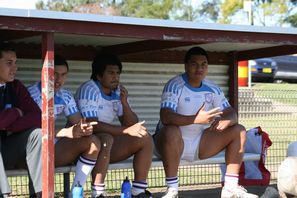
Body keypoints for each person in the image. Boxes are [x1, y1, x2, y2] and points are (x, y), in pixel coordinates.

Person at [153, 46, 259, 198]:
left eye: (204, 64)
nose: (199, 68)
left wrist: (227, 120)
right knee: (171, 130)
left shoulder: (213, 88)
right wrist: (196, 119)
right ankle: (172, 189)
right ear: (186, 65)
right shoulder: (175, 85)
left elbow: (231, 113)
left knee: (239, 129)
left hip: (198, 144)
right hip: (170, 144)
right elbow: (166, 117)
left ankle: (230, 188)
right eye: (194, 64)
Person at [75, 52, 153, 198]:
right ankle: (98, 193)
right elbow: (92, 125)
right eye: (110, 73)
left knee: (145, 137)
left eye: (118, 73)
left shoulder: (117, 91)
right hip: (82, 145)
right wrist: (126, 131)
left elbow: (132, 124)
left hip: (106, 146)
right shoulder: (89, 89)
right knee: (105, 138)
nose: (115, 77)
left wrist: (124, 103)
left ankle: (138, 191)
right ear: (98, 76)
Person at [27, 55, 105, 196]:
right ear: (44, 74)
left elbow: (77, 121)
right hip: (30, 149)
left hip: (51, 145)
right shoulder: (31, 94)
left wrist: (84, 129)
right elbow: (33, 133)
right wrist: (66, 132)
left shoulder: (65, 95)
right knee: (40, 139)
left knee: (93, 141)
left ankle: (76, 192)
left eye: (63, 75)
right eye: (54, 75)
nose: (58, 80)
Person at [0, 43, 42, 198]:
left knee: (38, 134)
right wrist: (15, 112)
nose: (15, 68)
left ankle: (40, 194)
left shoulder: (16, 87)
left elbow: (38, 117)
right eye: (9, 63)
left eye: (15, 63)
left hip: (6, 151)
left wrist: (8, 125)